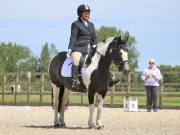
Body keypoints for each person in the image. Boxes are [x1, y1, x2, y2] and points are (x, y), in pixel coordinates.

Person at [68, 4, 120, 91]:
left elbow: (94, 37)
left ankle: (110, 78)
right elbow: (73, 37)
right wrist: (70, 48)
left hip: (89, 47)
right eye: (85, 13)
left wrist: (96, 44)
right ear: (80, 13)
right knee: (76, 60)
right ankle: (74, 80)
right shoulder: (75, 24)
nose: (87, 14)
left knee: (101, 59)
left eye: (88, 12)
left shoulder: (91, 24)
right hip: (78, 47)